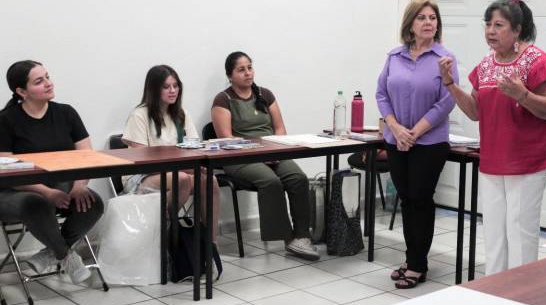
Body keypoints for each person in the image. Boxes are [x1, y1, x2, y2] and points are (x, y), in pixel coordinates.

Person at [439, 0, 546, 275]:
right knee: (495, 232)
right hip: (493, 160)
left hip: (528, 161)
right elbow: (474, 111)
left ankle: (522, 294)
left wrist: (523, 94)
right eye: (488, 24)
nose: (491, 31)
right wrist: (450, 84)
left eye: (499, 25)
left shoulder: (535, 61)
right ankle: (495, 291)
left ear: (517, 30)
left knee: (520, 231)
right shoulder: (485, 65)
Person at [376, 0, 456, 289]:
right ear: (410, 24)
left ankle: (419, 265)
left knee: (421, 200)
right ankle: (411, 259)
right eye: (421, 17)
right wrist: (396, 128)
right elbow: (381, 94)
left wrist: (414, 132)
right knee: (407, 199)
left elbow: (446, 102)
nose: (428, 22)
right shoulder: (394, 57)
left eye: (433, 17)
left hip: (429, 143)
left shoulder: (444, 58)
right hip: (396, 139)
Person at [0, 60, 103, 284]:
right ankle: (66, 255)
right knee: (36, 203)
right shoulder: (6, 120)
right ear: (21, 91)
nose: (49, 83)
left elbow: (87, 157)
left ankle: (52, 252)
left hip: (62, 187)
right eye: (39, 81)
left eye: (47, 76)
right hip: (13, 191)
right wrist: (47, 193)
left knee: (93, 202)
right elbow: (9, 172)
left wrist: (79, 186)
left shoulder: (67, 113)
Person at [211, 51, 319, 261]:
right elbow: (227, 139)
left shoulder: (265, 94)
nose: (247, 73)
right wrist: (258, 154)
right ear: (230, 75)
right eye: (241, 69)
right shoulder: (223, 100)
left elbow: (280, 129)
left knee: (299, 178)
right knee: (271, 182)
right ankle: (288, 239)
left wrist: (274, 151)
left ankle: (303, 236)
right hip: (239, 158)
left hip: (272, 152)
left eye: (250, 67)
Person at [121, 64, 221, 243]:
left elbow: (194, 149)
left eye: (176, 86)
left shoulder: (181, 114)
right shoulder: (140, 115)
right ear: (153, 90)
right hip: (142, 175)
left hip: (177, 170)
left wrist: (193, 168)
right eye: (166, 87)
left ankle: (210, 245)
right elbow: (142, 160)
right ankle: (163, 233)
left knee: (209, 180)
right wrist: (189, 169)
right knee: (181, 178)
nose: (173, 90)